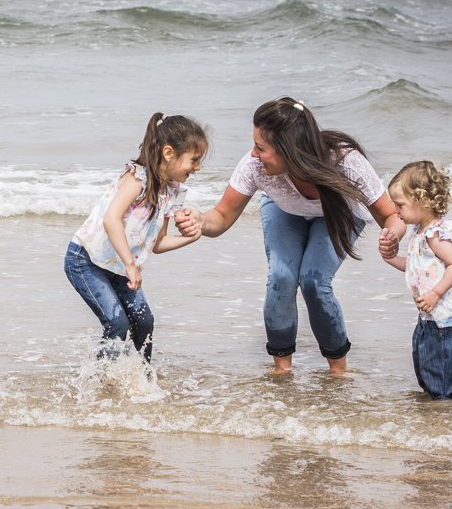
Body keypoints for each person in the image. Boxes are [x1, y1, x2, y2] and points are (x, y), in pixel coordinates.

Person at [173, 97, 405, 374]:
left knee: (314, 281)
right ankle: (282, 371)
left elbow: (390, 215)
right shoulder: (255, 166)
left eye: (261, 148)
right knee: (282, 277)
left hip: (338, 212)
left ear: (289, 150)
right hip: (284, 209)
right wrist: (199, 219)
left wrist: (392, 234)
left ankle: (338, 372)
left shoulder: (344, 161)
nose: (254, 154)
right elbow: (221, 217)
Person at [64, 112, 208, 366]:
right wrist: (131, 265)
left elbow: (157, 244)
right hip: (85, 261)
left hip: (119, 267)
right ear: (168, 153)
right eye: (194, 159)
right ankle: (101, 381)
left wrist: (190, 238)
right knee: (117, 322)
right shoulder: (136, 178)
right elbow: (111, 219)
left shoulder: (172, 192)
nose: (198, 167)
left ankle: (143, 378)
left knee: (144, 321)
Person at [380, 161, 452, 399]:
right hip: (430, 317)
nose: (396, 212)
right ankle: (433, 410)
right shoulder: (418, 232)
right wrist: (391, 259)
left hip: (448, 320)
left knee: (440, 379)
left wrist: (435, 293)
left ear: (423, 200)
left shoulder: (435, 235)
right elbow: (416, 267)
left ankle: (441, 415)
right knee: (425, 367)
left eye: (400, 205)